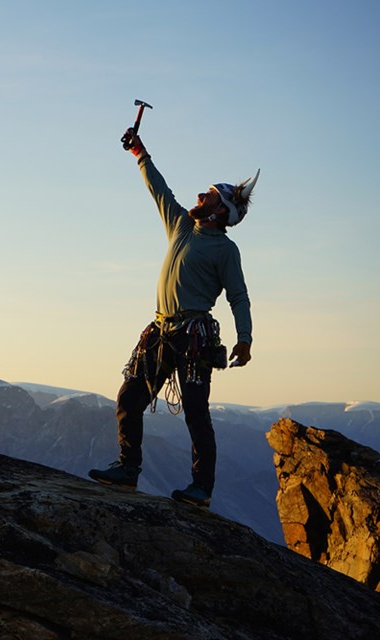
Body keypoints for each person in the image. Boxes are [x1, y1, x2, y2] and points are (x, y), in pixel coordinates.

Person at [88, 129, 259, 507]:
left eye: (208, 195)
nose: (199, 196)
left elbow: (238, 296)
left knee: (197, 413)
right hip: (163, 329)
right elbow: (159, 190)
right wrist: (139, 152)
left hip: (193, 334)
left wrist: (244, 338)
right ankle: (128, 469)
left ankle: (201, 489)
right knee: (130, 397)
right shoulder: (181, 226)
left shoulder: (226, 250)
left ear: (220, 212)